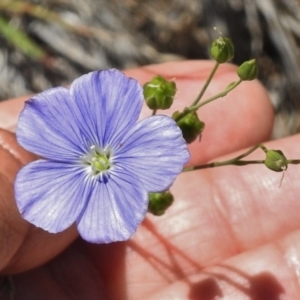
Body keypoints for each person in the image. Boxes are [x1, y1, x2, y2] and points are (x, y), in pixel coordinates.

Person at [0, 60, 297, 299]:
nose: (99, 162)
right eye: (98, 161)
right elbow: (44, 117)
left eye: (101, 160)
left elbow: (156, 161)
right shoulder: (47, 124)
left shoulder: (146, 144)